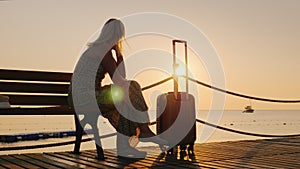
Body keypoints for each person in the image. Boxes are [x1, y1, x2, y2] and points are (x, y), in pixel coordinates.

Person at [70, 18, 167, 158]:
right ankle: (143, 130)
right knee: (132, 87)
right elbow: (119, 80)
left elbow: (121, 77)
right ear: (115, 35)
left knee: (126, 99)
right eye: (119, 36)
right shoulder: (102, 50)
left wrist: (119, 54)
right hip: (84, 96)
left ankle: (127, 146)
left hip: (81, 96)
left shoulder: (100, 49)